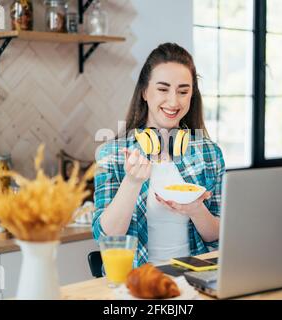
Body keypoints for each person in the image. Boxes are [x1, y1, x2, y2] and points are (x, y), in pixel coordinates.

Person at [93, 43, 226, 267]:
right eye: (163, 89)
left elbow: (217, 235)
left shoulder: (209, 154)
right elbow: (106, 237)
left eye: (183, 91)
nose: (174, 102)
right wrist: (132, 182)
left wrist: (196, 209)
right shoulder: (112, 154)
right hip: (138, 281)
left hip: (197, 277)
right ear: (145, 92)